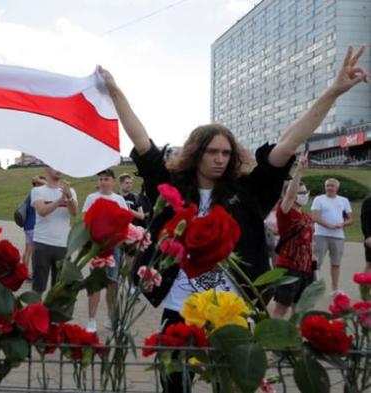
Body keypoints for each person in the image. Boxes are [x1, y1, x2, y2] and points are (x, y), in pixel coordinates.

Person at [100, 45, 367, 392]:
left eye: (226, 152)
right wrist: (116, 93)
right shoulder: (173, 189)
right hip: (181, 309)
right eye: (212, 151)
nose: (220, 159)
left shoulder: (249, 191)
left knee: (233, 386)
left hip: (234, 308)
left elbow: (289, 142)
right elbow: (142, 141)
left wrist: (332, 92)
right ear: (196, 153)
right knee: (173, 385)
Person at [82, 169, 128, 332]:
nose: (103, 182)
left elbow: (125, 223)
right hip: (96, 247)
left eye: (106, 179)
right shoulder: (91, 198)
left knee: (112, 283)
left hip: (114, 247)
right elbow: (86, 221)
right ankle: (91, 320)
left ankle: (111, 318)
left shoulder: (119, 200)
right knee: (95, 282)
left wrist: (120, 242)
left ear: (113, 181)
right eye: (101, 179)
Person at [272, 152, 315, 319]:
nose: (303, 195)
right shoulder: (286, 213)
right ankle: (274, 342)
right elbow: (289, 195)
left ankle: (294, 341)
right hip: (288, 268)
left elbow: (310, 242)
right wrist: (299, 171)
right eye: (299, 192)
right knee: (281, 309)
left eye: (305, 192)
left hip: (306, 269)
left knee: (300, 310)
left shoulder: (307, 217)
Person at [30, 166, 78, 295]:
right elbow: (42, 211)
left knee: (58, 289)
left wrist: (69, 197)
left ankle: (52, 315)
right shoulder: (37, 191)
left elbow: (74, 213)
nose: (58, 169)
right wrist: (60, 200)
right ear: (46, 168)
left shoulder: (70, 191)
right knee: (38, 288)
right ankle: (35, 314)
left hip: (63, 245)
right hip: (42, 243)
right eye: (54, 166)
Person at [312, 177, 353, 295]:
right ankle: (314, 288)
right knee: (316, 263)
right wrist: (328, 225)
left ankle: (335, 289)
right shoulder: (319, 199)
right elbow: (315, 217)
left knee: (336, 264)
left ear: (337, 187)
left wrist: (343, 223)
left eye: (332, 185)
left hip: (338, 236)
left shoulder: (344, 200)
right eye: (328, 185)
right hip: (320, 235)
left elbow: (350, 219)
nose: (329, 188)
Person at [22, 175, 47, 277]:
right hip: (35, 226)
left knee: (28, 250)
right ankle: (35, 273)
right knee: (37, 252)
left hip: (27, 226)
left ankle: (24, 272)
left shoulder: (30, 193)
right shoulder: (37, 194)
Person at [361, 195, 371, 274]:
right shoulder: (368, 201)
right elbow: (364, 220)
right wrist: (368, 236)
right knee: (370, 263)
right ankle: (365, 286)